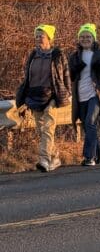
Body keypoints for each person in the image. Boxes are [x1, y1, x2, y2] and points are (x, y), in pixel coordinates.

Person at [15, 24, 70, 172]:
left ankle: (44, 160)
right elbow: (27, 77)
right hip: (35, 95)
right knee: (41, 130)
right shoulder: (33, 55)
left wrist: (67, 93)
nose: (39, 38)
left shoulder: (58, 55)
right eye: (37, 36)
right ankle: (55, 156)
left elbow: (65, 75)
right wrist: (24, 95)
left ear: (49, 38)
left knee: (47, 128)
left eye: (42, 36)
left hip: (52, 95)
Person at [69, 24, 100, 167]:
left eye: (88, 37)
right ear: (79, 39)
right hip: (80, 96)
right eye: (82, 37)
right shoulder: (74, 56)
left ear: (93, 39)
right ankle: (99, 149)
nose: (85, 39)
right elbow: (70, 76)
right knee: (87, 126)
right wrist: (75, 68)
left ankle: (88, 157)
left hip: (96, 94)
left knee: (90, 121)